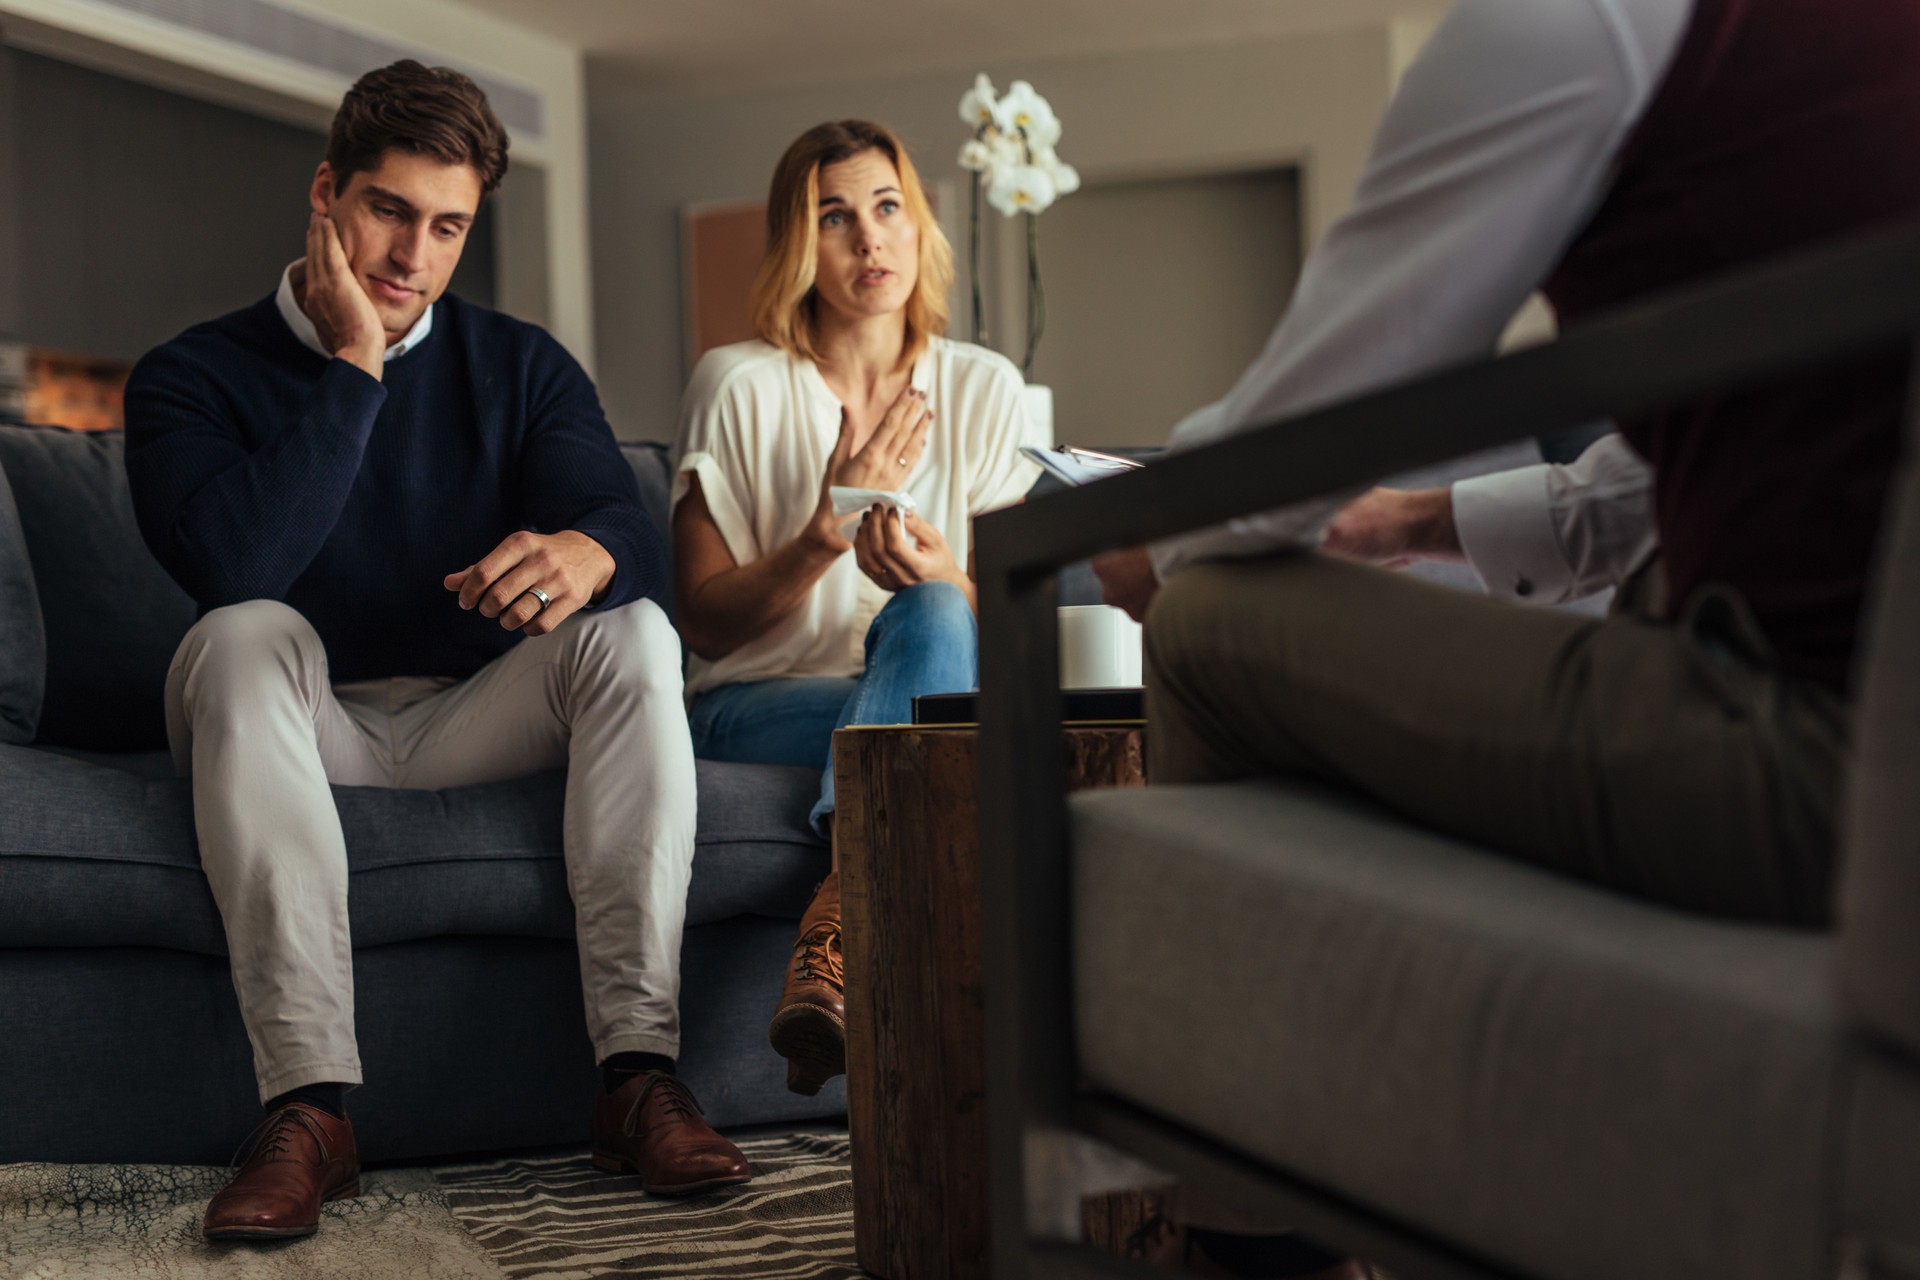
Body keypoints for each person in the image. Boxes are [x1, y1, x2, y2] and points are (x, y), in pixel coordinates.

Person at [1091, 0, 1920, 1271]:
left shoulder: (1576, 24)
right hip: (1862, 754)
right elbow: (1676, 461)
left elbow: (1308, 429)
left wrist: (1146, 532)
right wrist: (1412, 522)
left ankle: (1251, 1243)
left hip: (1813, 776)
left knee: (1203, 615)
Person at [123, 61, 748, 1243]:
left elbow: (629, 535)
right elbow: (237, 566)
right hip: (298, 724)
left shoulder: (519, 367)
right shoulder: (190, 377)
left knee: (636, 629)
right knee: (242, 633)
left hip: (477, 716)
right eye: (388, 211)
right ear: (326, 195)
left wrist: (587, 553)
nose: (412, 255)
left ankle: (638, 1077)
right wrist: (355, 367)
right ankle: (309, 1111)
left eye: (448, 225)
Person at [670, 119, 1038, 1096]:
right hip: (755, 701)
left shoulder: (986, 387)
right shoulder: (737, 381)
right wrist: (824, 532)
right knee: (952, 741)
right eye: (835, 218)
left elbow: (999, 620)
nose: (870, 241)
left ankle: (839, 927)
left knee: (937, 618)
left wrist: (941, 573)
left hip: (915, 688)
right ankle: (880, 942)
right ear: (800, 245)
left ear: (919, 229)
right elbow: (702, 624)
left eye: (887, 210)